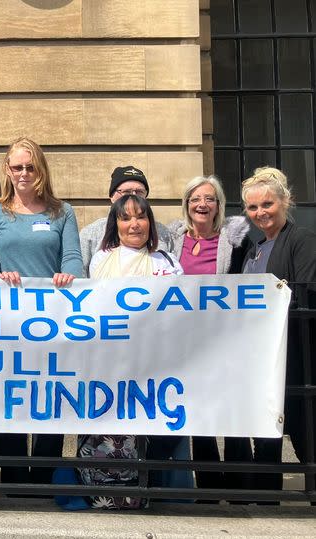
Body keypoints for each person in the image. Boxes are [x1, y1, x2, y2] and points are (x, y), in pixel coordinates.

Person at [0, 137, 82, 484]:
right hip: (8, 319)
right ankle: (16, 479)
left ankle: (43, 477)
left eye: (30, 166)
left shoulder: (62, 211)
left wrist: (70, 277)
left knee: (49, 395)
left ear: (41, 169)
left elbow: (72, 259)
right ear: (7, 170)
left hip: (52, 319)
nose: (24, 173)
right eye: (17, 166)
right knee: (13, 396)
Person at [87, 195, 183, 501]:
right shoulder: (101, 259)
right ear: (115, 224)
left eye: (141, 217)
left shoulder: (166, 261)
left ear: (150, 223)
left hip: (154, 362)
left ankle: (146, 486)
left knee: (153, 429)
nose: (134, 224)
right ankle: (109, 492)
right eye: (126, 217)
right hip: (111, 362)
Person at [168, 175, 253, 493]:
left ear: (218, 204)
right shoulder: (173, 241)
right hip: (187, 342)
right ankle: (207, 487)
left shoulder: (235, 240)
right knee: (199, 410)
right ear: (186, 204)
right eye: (195, 199)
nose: (202, 205)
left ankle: (240, 487)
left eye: (209, 199)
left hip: (225, 338)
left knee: (231, 408)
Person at [241, 167, 316, 496]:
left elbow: (305, 292)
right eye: (253, 208)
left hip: (295, 356)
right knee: (265, 428)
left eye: (267, 204)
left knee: (303, 430)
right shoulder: (254, 248)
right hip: (260, 358)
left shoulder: (302, 240)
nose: (260, 213)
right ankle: (265, 499)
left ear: (286, 201)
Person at [80, 166, 174, 277]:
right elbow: (81, 279)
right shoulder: (91, 234)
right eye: (126, 192)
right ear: (112, 197)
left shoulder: (163, 233)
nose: (132, 197)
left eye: (139, 192)